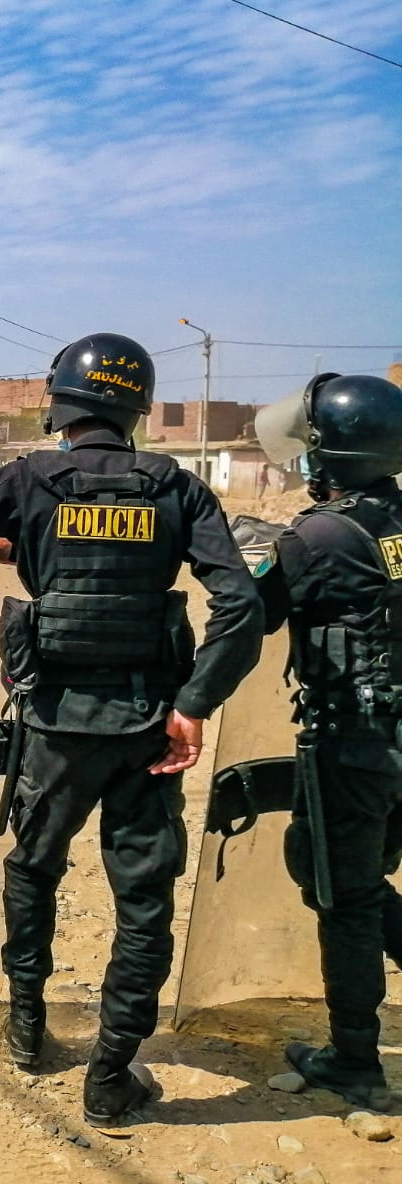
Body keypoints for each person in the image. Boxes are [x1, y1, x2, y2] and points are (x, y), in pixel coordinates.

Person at [0, 332, 264, 1125]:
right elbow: (241, 605)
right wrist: (193, 705)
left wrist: (4, 540)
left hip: (55, 726)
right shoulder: (177, 487)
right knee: (144, 902)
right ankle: (112, 1076)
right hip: (149, 732)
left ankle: (27, 1030)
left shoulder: (30, 479)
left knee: (33, 869)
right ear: (135, 407)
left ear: (61, 405)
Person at [252, 372, 402, 1111]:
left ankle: (353, 1061)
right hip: (396, 741)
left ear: (329, 452)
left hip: (354, 742)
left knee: (342, 893)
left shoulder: (318, 534)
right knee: (359, 880)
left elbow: (251, 612)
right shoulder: (398, 524)